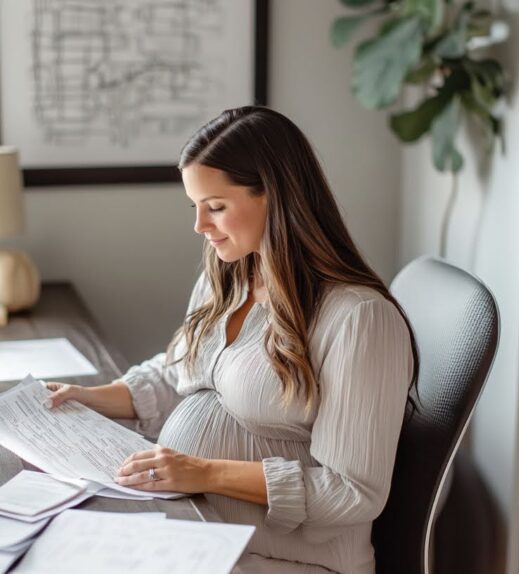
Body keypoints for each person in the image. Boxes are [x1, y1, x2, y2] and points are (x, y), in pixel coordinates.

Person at [45, 106, 418, 573]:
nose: (200, 225)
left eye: (216, 206)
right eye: (195, 206)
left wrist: (204, 472)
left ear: (277, 198)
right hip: (200, 528)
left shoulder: (358, 320)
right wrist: (87, 397)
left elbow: (352, 492)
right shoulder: (231, 275)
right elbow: (180, 371)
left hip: (287, 559)